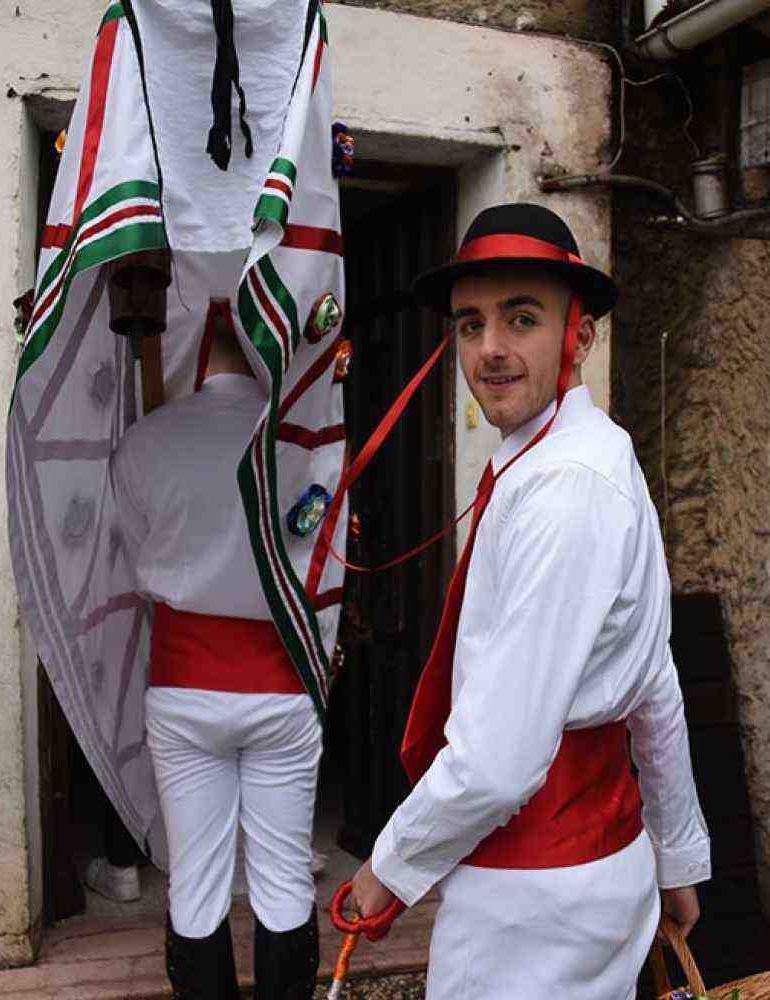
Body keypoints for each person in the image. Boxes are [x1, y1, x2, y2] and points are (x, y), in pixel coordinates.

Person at [348, 203, 712, 999]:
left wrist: (388, 867)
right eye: (471, 325)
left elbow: (500, 761)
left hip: (532, 900)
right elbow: (656, 683)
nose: (491, 350)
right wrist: (677, 858)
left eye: (521, 319)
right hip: (592, 878)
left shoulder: (563, 490)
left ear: (579, 333)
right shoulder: (589, 453)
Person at [111, 308, 320, 1000]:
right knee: (284, 876)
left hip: (184, 681)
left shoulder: (146, 440)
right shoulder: (302, 443)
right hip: (282, 683)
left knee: (196, 881)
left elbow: (135, 543)